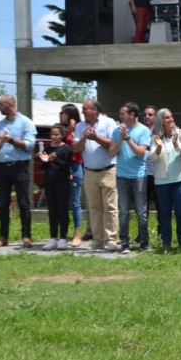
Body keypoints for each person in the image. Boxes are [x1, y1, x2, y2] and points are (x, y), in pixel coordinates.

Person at [0, 95, 36, 248]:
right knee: (3, 203)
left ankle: (26, 236)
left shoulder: (26, 123)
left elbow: (29, 145)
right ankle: (3, 237)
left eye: (1, 105)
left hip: (20, 166)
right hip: (2, 167)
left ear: (10, 104)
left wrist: (10, 140)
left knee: (23, 202)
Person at [73, 99, 119, 251]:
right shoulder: (80, 126)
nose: (82, 111)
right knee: (94, 208)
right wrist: (85, 137)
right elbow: (75, 148)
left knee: (110, 207)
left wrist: (96, 138)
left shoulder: (108, 122)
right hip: (89, 171)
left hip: (108, 170)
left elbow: (113, 144)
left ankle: (111, 239)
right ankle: (98, 240)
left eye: (85, 109)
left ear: (95, 110)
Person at [108, 102, 152, 254]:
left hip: (139, 176)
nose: (120, 117)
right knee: (124, 211)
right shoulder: (116, 131)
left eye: (122, 114)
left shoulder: (144, 130)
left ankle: (144, 242)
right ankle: (124, 242)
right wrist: (120, 138)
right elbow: (111, 153)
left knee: (141, 211)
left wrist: (127, 138)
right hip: (121, 176)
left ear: (132, 115)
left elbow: (140, 153)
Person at [150, 108, 181, 252]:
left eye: (171, 117)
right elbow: (153, 158)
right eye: (167, 118)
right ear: (161, 120)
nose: (171, 120)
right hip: (162, 181)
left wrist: (176, 145)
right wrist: (159, 148)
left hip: (180, 179)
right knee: (165, 213)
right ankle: (166, 242)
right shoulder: (155, 138)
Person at [38, 124, 73, 250]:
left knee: (62, 210)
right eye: (52, 134)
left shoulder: (67, 149)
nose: (54, 136)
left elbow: (67, 166)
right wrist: (44, 160)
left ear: (62, 135)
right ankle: (53, 237)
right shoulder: (47, 148)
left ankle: (63, 238)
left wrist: (55, 159)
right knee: (52, 210)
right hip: (49, 181)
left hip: (63, 182)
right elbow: (43, 168)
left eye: (56, 134)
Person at [60, 104, 85, 246]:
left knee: (75, 201)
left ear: (69, 114)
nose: (61, 115)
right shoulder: (61, 129)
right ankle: (62, 232)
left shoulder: (78, 129)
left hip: (75, 165)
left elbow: (78, 148)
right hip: (62, 166)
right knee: (63, 201)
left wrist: (72, 132)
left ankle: (77, 233)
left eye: (63, 113)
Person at [142, 105, 160, 243]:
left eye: (150, 114)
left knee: (161, 205)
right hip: (143, 173)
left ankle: (161, 232)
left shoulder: (159, 131)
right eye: (145, 114)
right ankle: (143, 233)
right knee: (143, 205)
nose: (147, 117)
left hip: (158, 173)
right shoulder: (140, 131)